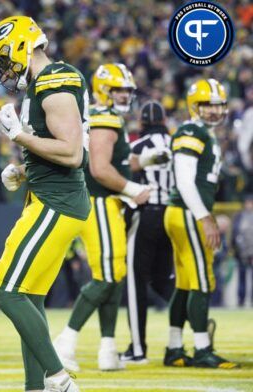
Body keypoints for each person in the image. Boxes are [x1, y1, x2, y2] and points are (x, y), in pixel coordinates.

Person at [0, 15, 90, 392]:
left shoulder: (55, 81)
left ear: (19, 48)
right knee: (28, 294)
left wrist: (19, 138)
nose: (2, 70)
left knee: (6, 290)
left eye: (3, 60)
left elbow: (72, 152)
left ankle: (59, 380)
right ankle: (35, 388)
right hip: (50, 196)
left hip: (57, 202)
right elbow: (57, 146)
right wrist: (23, 170)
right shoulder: (44, 83)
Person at [53, 63, 149, 372]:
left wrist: (144, 160)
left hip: (97, 202)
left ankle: (108, 347)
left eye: (127, 90)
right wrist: (133, 188)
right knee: (108, 275)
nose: (124, 95)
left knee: (114, 273)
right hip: (101, 203)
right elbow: (100, 168)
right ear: (105, 89)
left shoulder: (98, 115)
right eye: (119, 89)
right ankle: (65, 342)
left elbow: (115, 161)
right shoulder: (105, 117)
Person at [163, 78, 237, 369]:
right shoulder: (192, 130)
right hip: (187, 213)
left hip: (183, 213)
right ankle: (203, 349)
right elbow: (184, 180)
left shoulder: (203, 132)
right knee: (203, 282)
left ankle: (174, 348)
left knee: (184, 285)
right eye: (208, 105)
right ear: (195, 106)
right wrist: (204, 217)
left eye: (219, 105)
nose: (214, 111)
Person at [120, 101, 175, 363]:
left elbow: (122, 173)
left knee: (136, 281)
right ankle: (192, 331)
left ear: (141, 123)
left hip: (148, 214)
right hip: (174, 216)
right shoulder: (177, 145)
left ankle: (138, 349)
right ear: (164, 120)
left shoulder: (136, 147)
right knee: (166, 281)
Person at [233, 194, 253, 307]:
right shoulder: (239, 216)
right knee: (242, 276)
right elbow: (234, 234)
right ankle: (241, 300)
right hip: (241, 252)